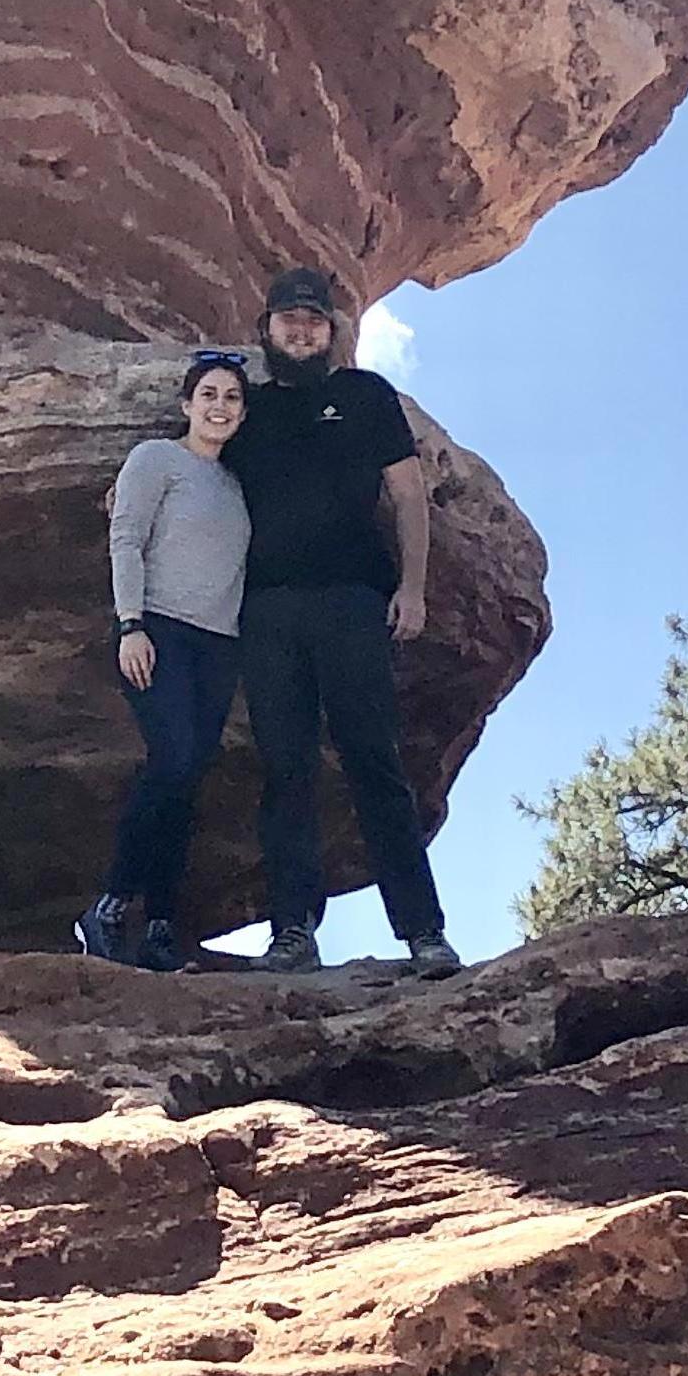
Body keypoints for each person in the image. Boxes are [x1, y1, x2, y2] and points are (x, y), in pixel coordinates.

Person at [227, 267, 460, 978]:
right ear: (265, 328)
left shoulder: (363, 396)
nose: (300, 331)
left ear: (332, 332)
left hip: (352, 600)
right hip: (267, 608)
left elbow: (408, 494)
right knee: (284, 768)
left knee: (373, 759)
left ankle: (422, 931)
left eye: (314, 321)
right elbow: (198, 463)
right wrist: (133, 487)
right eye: (287, 320)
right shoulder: (251, 407)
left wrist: (413, 588)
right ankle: (292, 930)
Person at [71, 352, 254, 974]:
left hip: (219, 645)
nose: (219, 406)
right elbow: (125, 536)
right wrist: (131, 624)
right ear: (186, 404)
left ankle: (160, 926)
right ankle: (111, 903)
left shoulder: (237, 485)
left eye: (231, 397)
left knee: (187, 782)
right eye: (208, 394)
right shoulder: (156, 459)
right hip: (159, 632)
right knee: (172, 758)